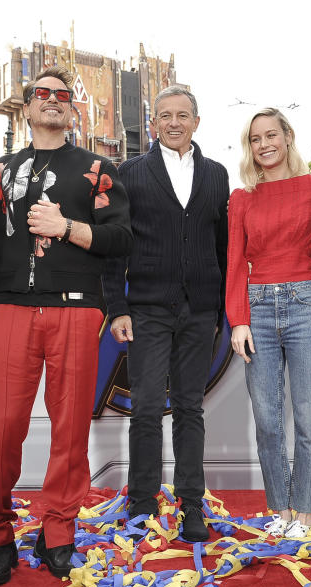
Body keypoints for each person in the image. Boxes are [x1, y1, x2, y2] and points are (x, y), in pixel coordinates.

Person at [0, 66, 132, 585]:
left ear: (72, 109)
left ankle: (59, 530)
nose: (52, 100)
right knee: (1, 429)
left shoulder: (99, 169)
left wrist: (67, 228)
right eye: (41, 93)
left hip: (77, 307)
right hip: (11, 307)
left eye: (62, 96)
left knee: (69, 429)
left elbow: (123, 239)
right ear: (26, 105)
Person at [102, 86, 229, 542]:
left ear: (197, 121)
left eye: (182, 115)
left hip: (199, 311)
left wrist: (217, 308)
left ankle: (192, 505)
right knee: (148, 409)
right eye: (164, 116)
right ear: (153, 123)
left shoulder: (217, 175)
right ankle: (141, 505)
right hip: (147, 310)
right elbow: (115, 250)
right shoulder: (130, 173)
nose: (174, 122)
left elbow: (222, 248)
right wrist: (117, 307)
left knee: (191, 408)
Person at [227, 108, 311, 540]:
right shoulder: (241, 197)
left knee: (310, 416)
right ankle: (282, 508)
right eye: (255, 139)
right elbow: (234, 262)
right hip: (258, 308)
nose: (265, 144)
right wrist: (238, 321)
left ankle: (306, 512)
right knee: (268, 420)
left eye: (272, 135)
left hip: (305, 302)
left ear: (288, 136)